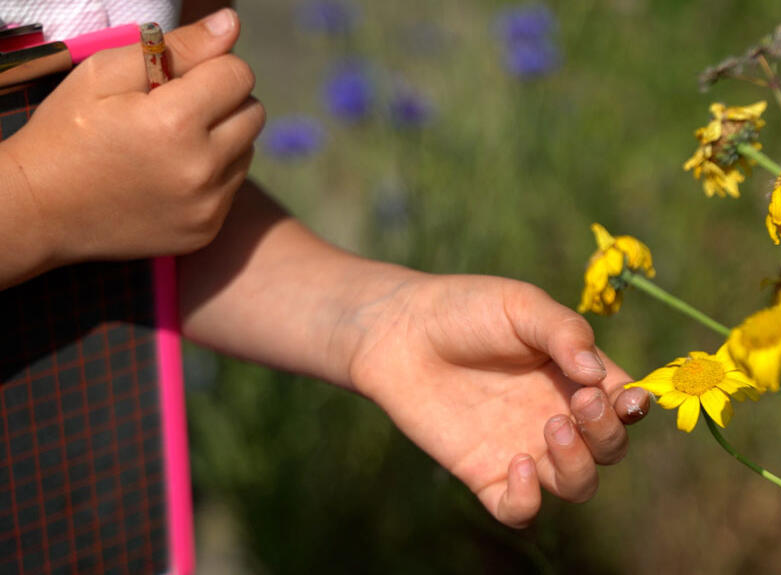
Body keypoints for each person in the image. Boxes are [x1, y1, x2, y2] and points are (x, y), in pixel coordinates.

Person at [0, 1, 650, 529]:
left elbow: (136, 225)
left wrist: (379, 319)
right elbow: (75, 201)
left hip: (100, 507)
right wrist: (36, 201)